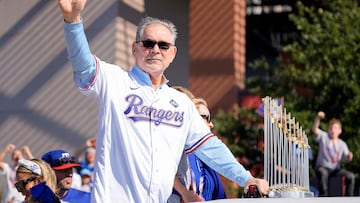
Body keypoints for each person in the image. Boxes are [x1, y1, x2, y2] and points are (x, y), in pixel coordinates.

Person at [56, 0, 269, 202]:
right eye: (148, 43)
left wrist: (246, 178)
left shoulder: (181, 103)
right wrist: (72, 21)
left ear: (173, 53)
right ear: (135, 48)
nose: (156, 50)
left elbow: (211, 147)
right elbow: (84, 67)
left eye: (163, 45)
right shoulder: (114, 81)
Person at [312, 111, 355, 196]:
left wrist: (349, 157)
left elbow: (346, 159)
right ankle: (324, 197)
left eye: (335, 128)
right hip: (323, 167)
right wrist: (318, 118)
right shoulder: (324, 137)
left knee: (351, 176)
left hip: (335, 169)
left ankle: (349, 198)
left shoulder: (342, 144)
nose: (332, 130)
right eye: (331, 128)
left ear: (340, 131)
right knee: (323, 173)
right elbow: (314, 130)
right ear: (328, 130)